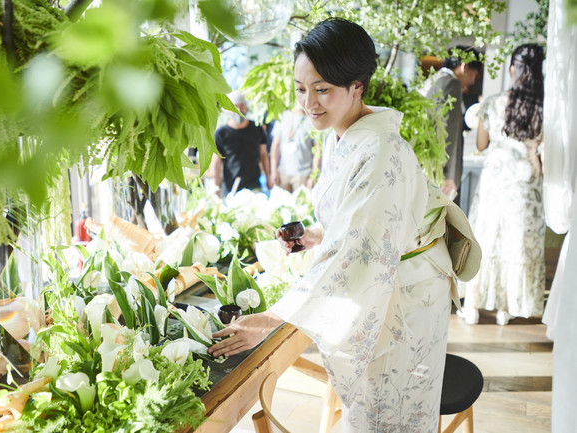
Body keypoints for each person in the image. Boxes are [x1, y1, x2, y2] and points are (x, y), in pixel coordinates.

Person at [209, 18, 480, 432]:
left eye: (322, 89)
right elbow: (372, 221)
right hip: (392, 278)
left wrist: (270, 320)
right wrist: (320, 236)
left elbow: (357, 254)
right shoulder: (351, 134)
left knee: (387, 418)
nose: (309, 102)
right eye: (301, 89)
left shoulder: (379, 150)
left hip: (402, 299)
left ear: (357, 85)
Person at [460, 44, 546, 326]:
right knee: (516, 243)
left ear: (512, 71)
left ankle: (472, 307)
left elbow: (482, 144)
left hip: (496, 181)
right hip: (525, 185)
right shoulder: (542, 109)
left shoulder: (494, 103)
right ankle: (505, 310)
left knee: (488, 238)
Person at [421, 46, 483, 201]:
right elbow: (448, 131)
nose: (473, 81)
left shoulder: (434, 79)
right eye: (474, 74)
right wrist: (448, 175)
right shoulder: (451, 84)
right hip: (441, 172)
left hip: (427, 161)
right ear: (464, 66)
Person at [209, 91, 272, 195]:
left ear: (246, 107)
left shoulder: (257, 128)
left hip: (254, 187)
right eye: (234, 107)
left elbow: (264, 154)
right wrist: (216, 187)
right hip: (231, 189)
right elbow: (216, 162)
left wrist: (268, 178)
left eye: (241, 106)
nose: (238, 111)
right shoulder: (221, 133)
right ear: (228, 110)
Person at [269, 106, 321, 191]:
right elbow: (275, 146)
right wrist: (273, 170)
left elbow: (318, 149)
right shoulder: (283, 116)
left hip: (303, 175)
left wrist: (313, 176)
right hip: (283, 173)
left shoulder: (312, 119)